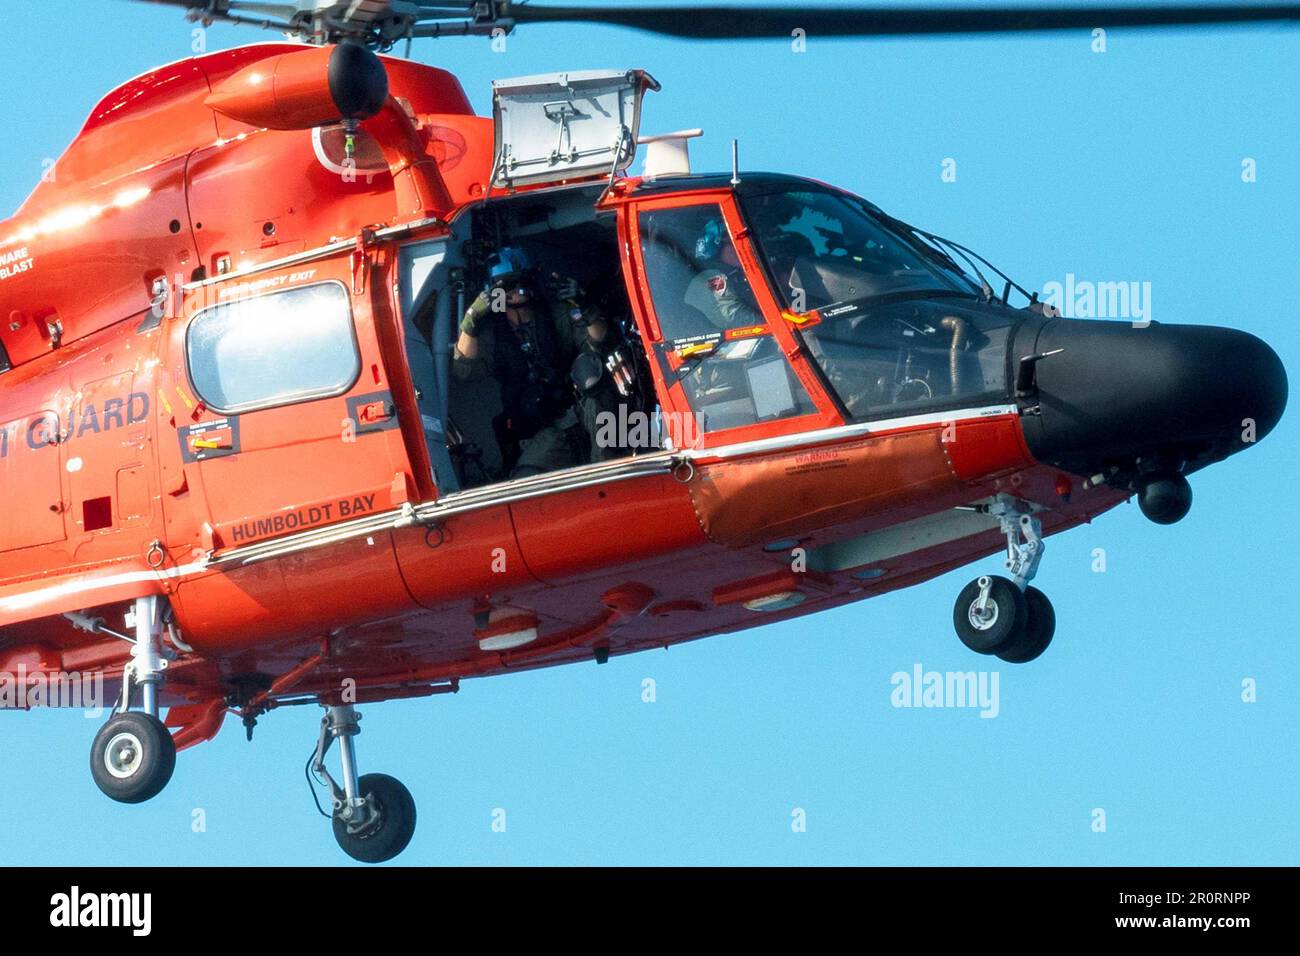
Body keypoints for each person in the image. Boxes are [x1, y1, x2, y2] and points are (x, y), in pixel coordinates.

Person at [453, 247, 625, 479]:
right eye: (508, 286)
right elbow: (465, 369)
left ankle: (613, 471)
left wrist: (585, 306)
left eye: (522, 282)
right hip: (541, 429)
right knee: (528, 476)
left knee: (592, 377)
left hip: (581, 410)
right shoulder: (492, 331)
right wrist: (471, 319)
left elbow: (602, 344)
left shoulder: (558, 314)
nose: (518, 291)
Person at [683, 216, 764, 332]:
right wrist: (775, 322)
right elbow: (738, 317)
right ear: (717, 247)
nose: (740, 248)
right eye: (731, 243)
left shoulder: (732, 272)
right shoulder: (713, 277)